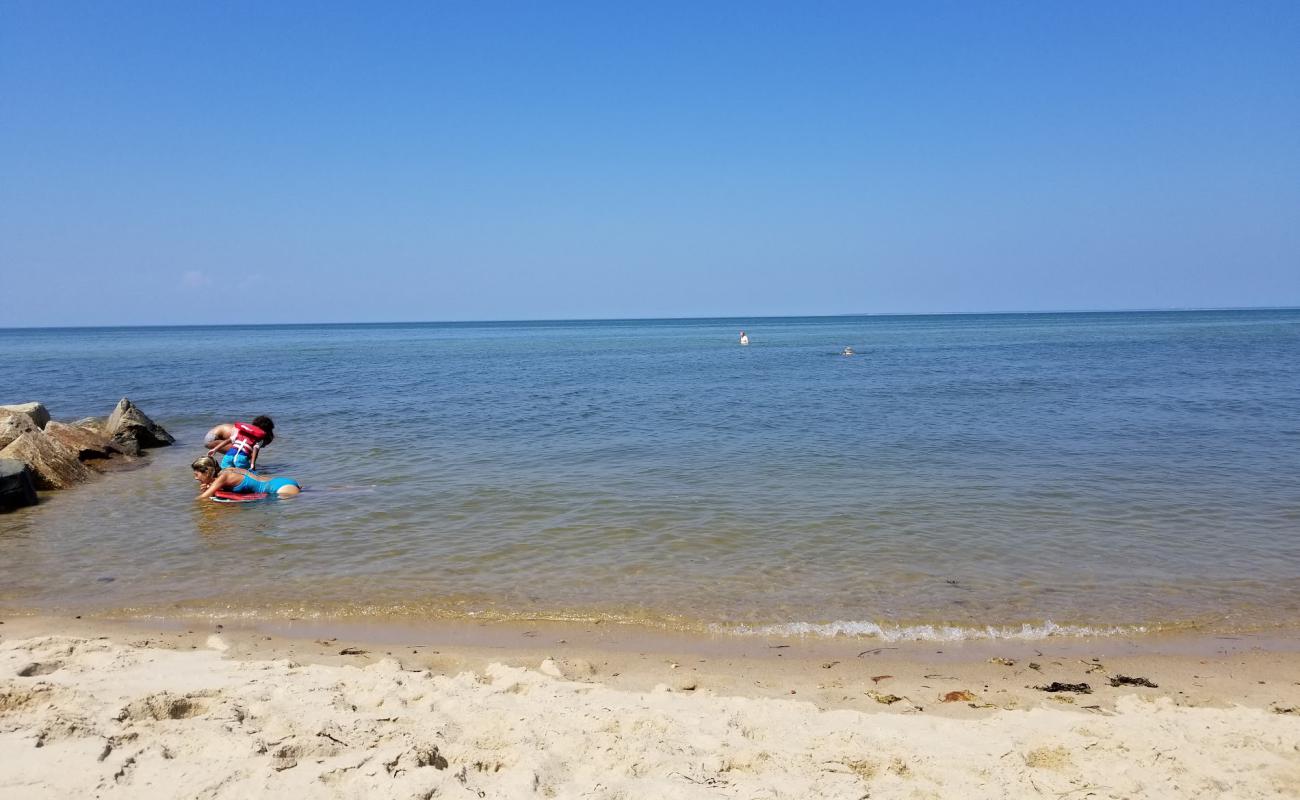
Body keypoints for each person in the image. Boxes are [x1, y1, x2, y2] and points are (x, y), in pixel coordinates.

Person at [191, 455, 301, 499]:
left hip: (280, 489)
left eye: (197, 474)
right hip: (281, 482)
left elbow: (202, 499)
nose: (195, 478)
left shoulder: (223, 477)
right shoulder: (229, 470)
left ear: (207, 472)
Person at [204, 416, 275, 470]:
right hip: (212, 439)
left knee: (236, 455)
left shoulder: (246, 429)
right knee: (242, 453)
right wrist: (253, 465)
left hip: (212, 435)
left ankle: (229, 469)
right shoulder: (249, 433)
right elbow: (254, 451)